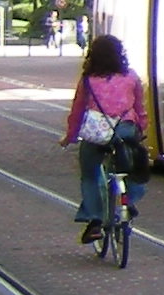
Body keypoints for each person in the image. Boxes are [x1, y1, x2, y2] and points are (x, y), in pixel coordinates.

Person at [62, 35, 149, 243]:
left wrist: (70, 136)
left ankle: (95, 220)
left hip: (97, 133)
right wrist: (140, 129)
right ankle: (127, 203)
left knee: (90, 173)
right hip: (125, 130)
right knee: (134, 166)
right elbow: (140, 109)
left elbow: (78, 110)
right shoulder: (131, 77)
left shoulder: (88, 80)